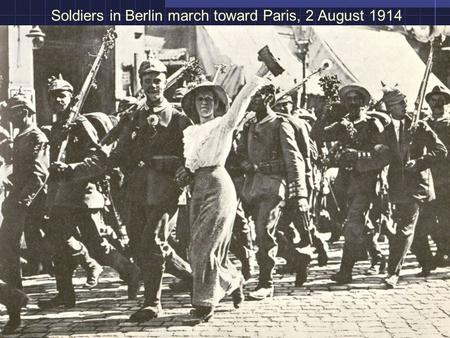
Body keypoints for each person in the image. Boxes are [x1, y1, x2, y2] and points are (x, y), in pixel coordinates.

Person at [178, 61, 271, 323]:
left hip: (219, 186)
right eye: (199, 100)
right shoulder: (190, 131)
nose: (204, 104)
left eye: (209, 99)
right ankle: (232, 279)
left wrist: (261, 71)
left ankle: (204, 304)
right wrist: (185, 173)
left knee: (204, 248)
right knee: (197, 246)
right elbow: (190, 162)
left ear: (218, 104)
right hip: (196, 188)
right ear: (194, 105)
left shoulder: (223, 124)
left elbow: (242, 100)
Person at [37, 75, 140, 309]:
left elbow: (99, 160)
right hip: (61, 197)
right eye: (53, 97)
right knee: (57, 242)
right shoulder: (55, 128)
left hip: (83, 195)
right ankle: (65, 294)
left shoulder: (80, 124)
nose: (57, 100)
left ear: (71, 99)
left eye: (62, 96)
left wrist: (71, 168)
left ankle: (131, 272)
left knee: (98, 247)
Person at [236, 84, 311, 299]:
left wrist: (299, 193)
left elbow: (294, 159)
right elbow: (241, 152)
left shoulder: (280, 124)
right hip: (251, 187)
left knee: (263, 233)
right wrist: (246, 164)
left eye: (256, 95)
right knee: (267, 232)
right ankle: (297, 259)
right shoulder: (250, 125)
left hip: (274, 186)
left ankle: (266, 283)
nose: (251, 99)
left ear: (269, 97)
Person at [314, 83, 390, 284]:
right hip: (344, 183)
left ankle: (345, 271)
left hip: (366, 182)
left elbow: (383, 155)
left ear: (365, 104)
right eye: (349, 101)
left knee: (353, 223)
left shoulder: (374, 125)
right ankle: (378, 255)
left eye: (357, 101)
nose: (353, 105)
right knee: (355, 221)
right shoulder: (342, 124)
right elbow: (318, 136)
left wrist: (358, 155)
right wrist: (324, 113)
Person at [380, 85, 447, 288]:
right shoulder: (386, 130)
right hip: (398, 187)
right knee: (416, 230)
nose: (405, 106)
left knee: (405, 229)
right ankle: (426, 262)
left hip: (418, 185)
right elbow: (380, 155)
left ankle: (393, 273)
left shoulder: (418, 126)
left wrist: (419, 162)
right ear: (389, 108)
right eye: (399, 104)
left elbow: (440, 150)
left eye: (404, 102)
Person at [0, 94, 48, 333]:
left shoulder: (36, 137)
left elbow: (39, 175)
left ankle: (14, 306)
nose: (12, 117)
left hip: (24, 208)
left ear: (25, 112)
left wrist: (21, 201)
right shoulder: (21, 136)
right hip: (14, 205)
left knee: (9, 256)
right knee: (8, 257)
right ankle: (14, 305)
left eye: (15, 113)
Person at [411, 85, 450, 274]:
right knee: (424, 221)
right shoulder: (422, 123)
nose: (437, 103)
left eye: (440, 99)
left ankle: (443, 252)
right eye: (433, 99)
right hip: (426, 178)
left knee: (444, 220)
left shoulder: (449, 123)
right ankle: (428, 260)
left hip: (446, 179)